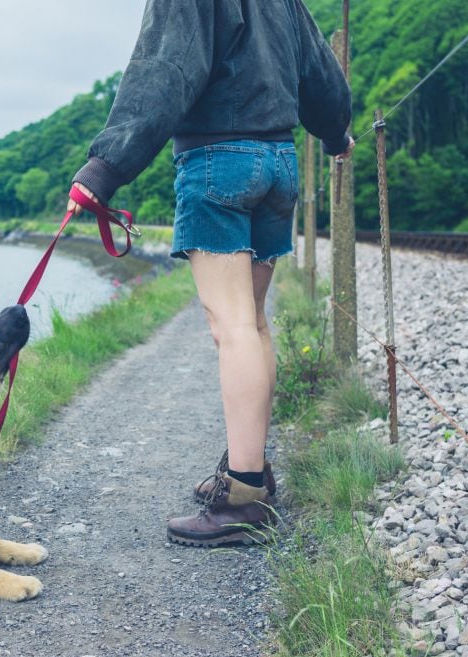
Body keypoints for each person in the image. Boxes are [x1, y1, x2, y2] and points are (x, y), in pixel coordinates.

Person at [69, 0, 353, 547]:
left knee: (234, 328)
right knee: (254, 324)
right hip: (278, 164)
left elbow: (163, 72)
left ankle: (245, 495)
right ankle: (249, 470)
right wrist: (337, 134)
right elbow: (321, 73)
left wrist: (104, 169)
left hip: (218, 163)